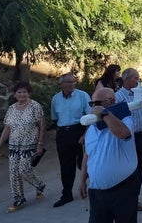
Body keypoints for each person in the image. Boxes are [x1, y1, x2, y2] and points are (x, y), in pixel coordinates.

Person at [79, 87, 138, 223]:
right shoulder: (92, 127)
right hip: (97, 191)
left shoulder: (125, 119)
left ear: (111, 101)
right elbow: (88, 154)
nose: (94, 107)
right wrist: (82, 180)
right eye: (91, 103)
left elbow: (123, 133)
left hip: (123, 188)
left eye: (97, 103)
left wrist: (105, 113)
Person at [0, 82, 46, 213]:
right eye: (19, 92)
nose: (22, 94)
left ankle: (40, 184)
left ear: (28, 93)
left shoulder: (35, 106)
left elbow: (42, 125)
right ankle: (18, 198)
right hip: (14, 145)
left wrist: (40, 144)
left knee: (24, 169)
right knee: (13, 171)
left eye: (25, 92)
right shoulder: (11, 109)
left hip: (29, 144)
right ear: (15, 94)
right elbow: (7, 128)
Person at [115, 68, 142, 211]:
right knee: (129, 168)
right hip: (127, 138)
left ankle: (135, 198)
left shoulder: (140, 93)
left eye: (138, 78)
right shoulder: (118, 97)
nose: (138, 81)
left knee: (140, 167)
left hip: (141, 135)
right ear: (126, 80)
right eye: (135, 78)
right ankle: (126, 199)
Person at [50, 73, 91, 208]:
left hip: (79, 130)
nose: (72, 84)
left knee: (83, 164)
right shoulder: (56, 99)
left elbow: (91, 117)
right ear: (62, 84)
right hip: (63, 133)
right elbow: (55, 118)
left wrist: (85, 134)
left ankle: (93, 188)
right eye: (69, 82)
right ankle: (66, 194)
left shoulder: (83, 96)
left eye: (74, 82)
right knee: (66, 166)